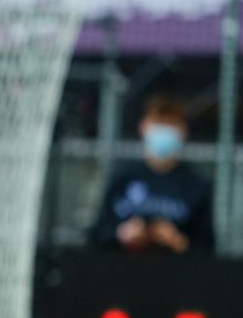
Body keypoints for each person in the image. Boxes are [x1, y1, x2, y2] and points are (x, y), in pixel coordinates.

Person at [91, 94, 214, 254]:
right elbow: (96, 235)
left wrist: (178, 241)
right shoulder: (122, 178)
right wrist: (121, 234)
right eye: (158, 123)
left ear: (183, 131)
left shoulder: (197, 186)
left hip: (174, 268)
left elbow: (207, 248)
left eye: (171, 124)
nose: (164, 131)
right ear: (143, 127)